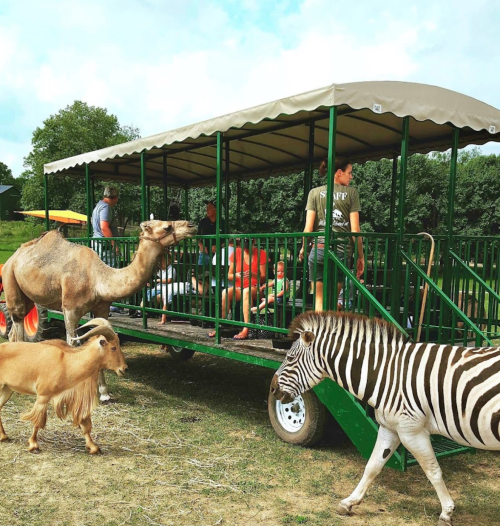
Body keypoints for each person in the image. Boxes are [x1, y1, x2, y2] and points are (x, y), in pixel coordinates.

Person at [299, 158, 364, 311]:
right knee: (333, 301)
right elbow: (355, 231)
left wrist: (303, 248)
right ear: (339, 173)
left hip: (319, 249)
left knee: (319, 301)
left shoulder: (314, 193)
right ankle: (330, 333)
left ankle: (317, 334)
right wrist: (361, 256)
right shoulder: (351, 193)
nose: (351, 177)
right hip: (340, 252)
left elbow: (308, 229)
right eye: (349, 173)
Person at [208, 237, 268, 340]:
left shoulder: (261, 253)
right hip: (239, 287)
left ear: (253, 242)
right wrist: (236, 275)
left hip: (255, 288)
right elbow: (229, 275)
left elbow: (263, 277)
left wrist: (253, 275)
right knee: (225, 292)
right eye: (243, 247)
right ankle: (221, 325)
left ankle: (246, 328)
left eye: (247, 247)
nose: (245, 250)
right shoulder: (237, 252)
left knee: (246, 292)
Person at [130, 253, 175, 318]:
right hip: (158, 288)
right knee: (146, 294)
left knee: (157, 297)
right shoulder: (160, 270)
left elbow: (169, 280)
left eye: (162, 261)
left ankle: (155, 312)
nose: (160, 263)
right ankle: (141, 311)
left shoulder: (171, 269)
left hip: (166, 289)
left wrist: (157, 280)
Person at [91, 186, 120, 267]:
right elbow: (104, 227)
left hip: (99, 244)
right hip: (105, 247)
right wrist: (114, 245)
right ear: (116, 198)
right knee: (112, 272)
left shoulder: (98, 206)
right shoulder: (106, 207)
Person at [197, 200, 224, 266]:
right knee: (200, 274)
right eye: (207, 208)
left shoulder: (222, 223)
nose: (207, 210)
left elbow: (226, 240)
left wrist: (219, 246)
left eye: (209, 208)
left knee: (215, 275)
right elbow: (197, 237)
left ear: (216, 209)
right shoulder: (203, 222)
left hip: (218, 255)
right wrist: (201, 246)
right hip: (204, 255)